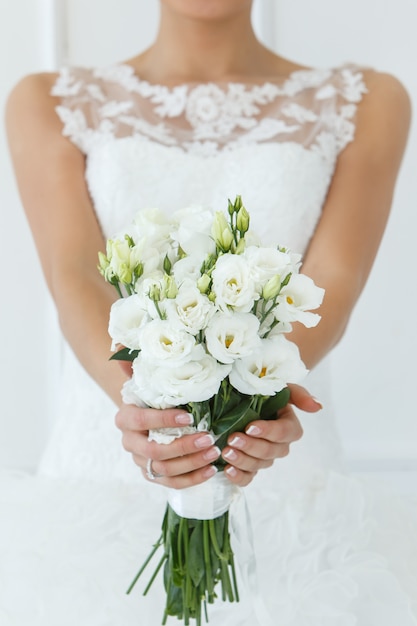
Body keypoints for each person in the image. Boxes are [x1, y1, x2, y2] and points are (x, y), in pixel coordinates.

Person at [2, 1, 416, 625]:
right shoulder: (48, 100)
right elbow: (76, 274)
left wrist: (254, 405)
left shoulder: (366, 101)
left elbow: (333, 282)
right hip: (101, 474)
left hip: (284, 474)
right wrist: (153, 412)